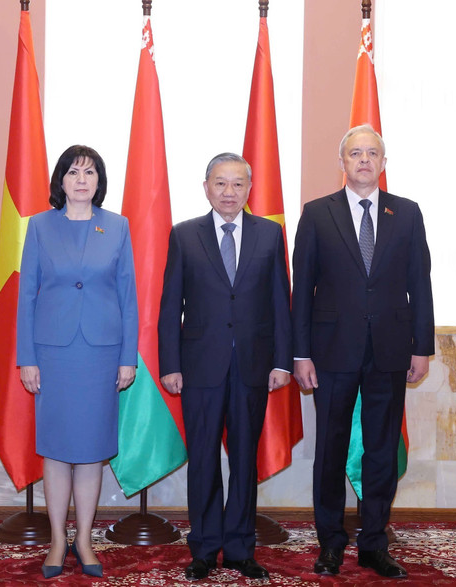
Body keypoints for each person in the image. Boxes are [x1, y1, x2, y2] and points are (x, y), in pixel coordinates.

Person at [292, 125, 434, 579]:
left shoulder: (407, 214)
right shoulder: (317, 214)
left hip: (391, 352)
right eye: (356, 153)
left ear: (384, 162)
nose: (365, 160)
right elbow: (303, 291)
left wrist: (423, 347)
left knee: (380, 451)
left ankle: (374, 542)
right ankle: (331, 543)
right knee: (330, 451)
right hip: (331, 352)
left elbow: (420, 283)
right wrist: (301, 354)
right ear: (343, 162)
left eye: (373, 153)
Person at [158, 152, 292, 581]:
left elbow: (280, 304)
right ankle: (204, 548)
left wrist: (282, 361)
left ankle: (239, 548)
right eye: (220, 183)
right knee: (202, 460)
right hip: (199, 368)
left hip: (253, 366)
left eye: (237, 183)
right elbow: (169, 307)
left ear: (249, 189)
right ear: (206, 187)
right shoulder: (184, 235)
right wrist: (170, 364)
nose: (229, 191)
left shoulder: (270, 235)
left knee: (243, 463)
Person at [16, 145, 138, 579]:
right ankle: (56, 540)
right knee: (55, 450)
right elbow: (26, 295)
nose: (82, 179)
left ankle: (83, 539)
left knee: (90, 452)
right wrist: (26, 358)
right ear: (61, 181)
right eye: (73, 172)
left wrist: (128, 358)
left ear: (99, 181)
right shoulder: (39, 227)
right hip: (53, 355)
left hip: (101, 357)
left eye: (90, 172)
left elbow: (128, 296)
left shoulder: (118, 227)